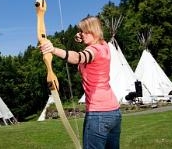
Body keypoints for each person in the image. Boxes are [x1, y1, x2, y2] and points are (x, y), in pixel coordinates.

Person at [40, 16, 122, 149]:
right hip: (114, 112)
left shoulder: (93, 51)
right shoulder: (104, 45)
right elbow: (90, 46)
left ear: (92, 31)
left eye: (83, 31)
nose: (81, 34)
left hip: (98, 113)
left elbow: (79, 57)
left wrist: (53, 50)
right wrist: (79, 38)